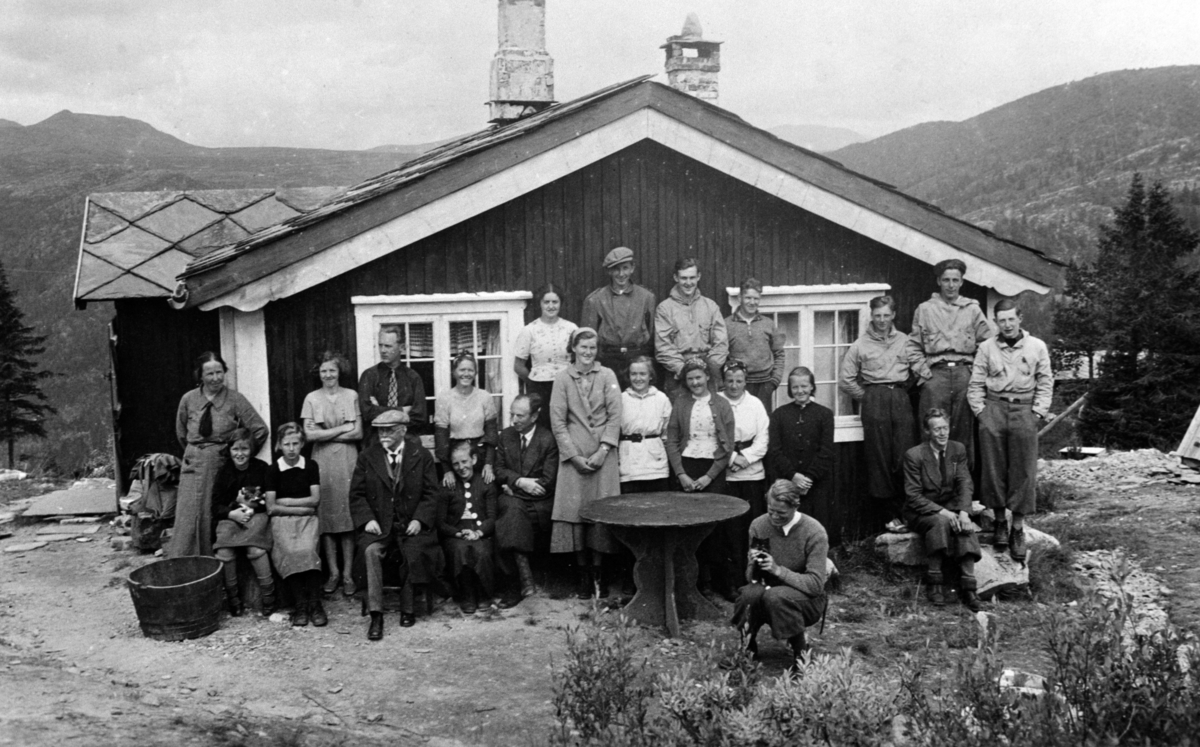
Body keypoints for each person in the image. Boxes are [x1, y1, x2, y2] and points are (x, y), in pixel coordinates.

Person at [967, 299, 1054, 563]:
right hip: (994, 408)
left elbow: (1046, 381)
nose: (1006, 325)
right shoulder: (986, 348)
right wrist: (981, 413)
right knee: (993, 468)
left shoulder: (1037, 346)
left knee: (1023, 469)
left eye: (1011, 320)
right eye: (1001, 320)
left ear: (1020, 318)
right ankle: (1000, 523)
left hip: (1024, 409)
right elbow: (976, 383)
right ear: (996, 322)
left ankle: (1017, 528)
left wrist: (1037, 412)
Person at [349, 410, 441, 641]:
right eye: (380, 430)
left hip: (411, 524)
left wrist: (419, 520)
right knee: (370, 551)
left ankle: (408, 608)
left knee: (412, 549)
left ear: (403, 430)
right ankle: (376, 614)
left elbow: (431, 494)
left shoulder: (422, 456)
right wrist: (367, 519)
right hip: (380, 526)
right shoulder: (367, 456)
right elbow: (356, 495)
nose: (383, 435)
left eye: (389, 430)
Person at [170, 351, 268, 559]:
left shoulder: (235, 400)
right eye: (210, 374)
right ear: (200, 376)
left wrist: (240, 455)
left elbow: (260, 430)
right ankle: (186, 565)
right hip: (192, 464)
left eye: (219, 372)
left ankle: (211, 565)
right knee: (188, 517)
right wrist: (194, 451)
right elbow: (181, 433)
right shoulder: (188, 399)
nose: (215, 378)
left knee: (209, 513)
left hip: (218, 464)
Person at [549, 327, 623, 599]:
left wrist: (604, 450)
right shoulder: (562, 379)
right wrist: (573, 455)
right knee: (577, 514)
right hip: (574, 457)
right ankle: (582, 576)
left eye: (592, 348)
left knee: (601, 515)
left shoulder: (607, 376)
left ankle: (599, 575)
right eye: (583, 348)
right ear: (573, 349)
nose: (588, 353)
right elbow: (558, 422)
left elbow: (615, 416)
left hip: (603, 457)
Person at [732, 480, 829, 669]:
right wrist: (753, 564)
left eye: (781, 513)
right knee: (748, 595)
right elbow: (750, 579)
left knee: (776, 596)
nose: (774, 517)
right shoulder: (759, 525)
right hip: (770, 591)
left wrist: (777, 570)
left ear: (795, 506)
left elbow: (816, 585)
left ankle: (802, 656)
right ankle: (747, 650)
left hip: (805, 599)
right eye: (771, 511)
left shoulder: (814, 531)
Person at [906, 259, 993, 468]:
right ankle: (933, 486)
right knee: (933, 428)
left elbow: (986, 344)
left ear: (962, 282)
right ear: (939, 281)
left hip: (964, 375)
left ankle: (961, 489)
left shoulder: (972, 309)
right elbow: (913, 346)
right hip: (936, 376)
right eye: (946, 280)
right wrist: (925, 374)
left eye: (956, 280)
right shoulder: (925, 309)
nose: (951, 285)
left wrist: (975, 373)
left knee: (963, 433)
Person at [839, 296, 916, 531]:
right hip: (875, 399)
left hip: (901, 398)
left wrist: (901, 393)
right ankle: (889, 516)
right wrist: (868, 397)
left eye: (886, 315)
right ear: (871, 316)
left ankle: (907, 513)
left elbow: (917, 371)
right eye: (877, 315)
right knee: (879, 459)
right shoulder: (860, 345)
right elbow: (846, 379)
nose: (882, 320)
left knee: (905, 456)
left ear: (893, 315)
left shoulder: (906, 341)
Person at [666, 357, 737, 598]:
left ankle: (721, 583)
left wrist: (709, 477)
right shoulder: (681, 403)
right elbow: (673, 440)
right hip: (687, 467)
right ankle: (696, 584)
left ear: (708, 377)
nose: (695, 382)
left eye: (699, 377)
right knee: (689, 526)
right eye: (690, 379)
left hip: (713, 470)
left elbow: (727, 446)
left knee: (716, 526)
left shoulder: (722, 404)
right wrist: (681, 474)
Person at [903, 409, 981, 611]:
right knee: (941, 522)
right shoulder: (915, 455)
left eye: (945, 428)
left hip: (952, 508)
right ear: (927, 431)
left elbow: (965, 483)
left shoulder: (957, 450)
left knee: (965, 524)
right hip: (922, 511)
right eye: (937, 429)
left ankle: (969, 587)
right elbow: (913, 496)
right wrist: (944, 512)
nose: (942, 433)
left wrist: (964, 511)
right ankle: (935, 582)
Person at [301, 351, 362, 597]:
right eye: (324, 371)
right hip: (322, 461)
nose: (328, 375)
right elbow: (309, 435)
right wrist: (342, 429)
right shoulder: (312, 399)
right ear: (319, 373)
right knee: (326, 518)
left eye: (332, 370)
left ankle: (347, 574)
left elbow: (358, 434)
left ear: (339, 372)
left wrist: (327, 432)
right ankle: (333, 573)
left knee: (346, 517)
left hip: (347, 460)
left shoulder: (351, 396)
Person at [494, 393, 558, 604]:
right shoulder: (506, 436)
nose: (514, 420)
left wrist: (512, 487)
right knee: (512, 511)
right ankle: (522, 581)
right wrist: (521, 482)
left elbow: (546, 482)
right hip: (514, 497)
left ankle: (520, 582)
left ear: (535, 416)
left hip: (539, 502)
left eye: (520, 416)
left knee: (514, 514)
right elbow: (499, 469)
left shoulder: (547, 439)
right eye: (512, 414)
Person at [264, 422, 326, 628]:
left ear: (302, 445)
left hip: (308, 520)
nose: (291, 449)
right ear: (279, 445)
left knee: (308, 550)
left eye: (295, 444)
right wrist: (301, 507)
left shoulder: (310, 466)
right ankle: (300, 606)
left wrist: (286, 502)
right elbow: (271, 508)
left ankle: (315, 605)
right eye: (287, 444)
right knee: (290, 552)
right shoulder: (273, 470)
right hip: (282, 520)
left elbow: (315, 499)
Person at [719, 359, 771, 598]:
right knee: (730, 532)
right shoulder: (717, 402)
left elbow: (763, 440)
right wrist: (730, 460)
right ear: (723, 381)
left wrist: (745, 458)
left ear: (745, 381)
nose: (734, 385)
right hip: (727, 475)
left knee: (753, 530)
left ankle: (756, 578)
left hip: (752, 474)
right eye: (729, 380)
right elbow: (713, 436)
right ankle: (731, 582)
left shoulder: (755, 404)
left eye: (739, 380)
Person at [210, 428, 275, 617]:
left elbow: (268, 500)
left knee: (255, 549)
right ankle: (233, 600)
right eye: (235, 449)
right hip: (232, 517)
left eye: (244, 449)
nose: (240, 454)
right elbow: (215, 506)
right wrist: (233, 511)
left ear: (251, 449)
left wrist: (252, 507)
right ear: (229, 451)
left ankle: (269, 598)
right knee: (224, 550)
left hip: (257, 516)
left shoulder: (262, 468)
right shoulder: (224, 472)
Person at [580, 247, 657, 390]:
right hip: (608, 360)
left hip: (637, 359)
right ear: (609, 271)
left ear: (632, 268)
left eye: (625, 268)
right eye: (616, 269)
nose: (621, 274)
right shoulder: (595, 299)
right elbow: (587, 339)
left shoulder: (646, 297)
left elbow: (649, 332)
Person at [438, 442, 498, 614]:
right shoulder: (447, 485)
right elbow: (440, 522)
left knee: (482, 551)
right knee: (459, 550)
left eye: (464, 461)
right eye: (456, 464)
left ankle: (484, 593)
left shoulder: (485, 482)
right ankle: (467, 594)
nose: (461, 467)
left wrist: (479, 532)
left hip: (480, 531)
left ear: (474, 459)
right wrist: (457, 533)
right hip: (456, 533)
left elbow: (492, 517)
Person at [655, 258, 728, 398]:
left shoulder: (710, 306)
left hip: (708, 375)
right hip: (678, 377)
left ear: (698, 276)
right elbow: (663, 347)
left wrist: (707, 370)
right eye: (683, 278)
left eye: (692, 277)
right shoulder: (665, 309)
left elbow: (721, 344)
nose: (688, 283)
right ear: (676, 277)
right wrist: (685, 371)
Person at [767, 367, 834, 510]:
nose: (800, 390)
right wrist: (793, 476)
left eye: (804, 386)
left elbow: (826, 450)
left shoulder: (825, 414)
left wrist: (809, 478)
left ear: (811, 386)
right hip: (787, 479)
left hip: (816, 482)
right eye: (795, 387)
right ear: (790, 389)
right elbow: (775, 450)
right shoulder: (779, 414)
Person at [514, 283, 577, 427]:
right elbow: (518, 366)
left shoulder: (571, 328)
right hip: (540, 389)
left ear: (560, 303)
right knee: (544, 428)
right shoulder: (529, 330)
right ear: (540, 304)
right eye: (546, 302)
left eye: (555, 302)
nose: (551, 306)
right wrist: (535, 384)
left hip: (567, 386)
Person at [434, 352, 499, 488]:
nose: (466, 374)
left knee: (486, 489)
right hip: (456, 459)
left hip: (479, 456)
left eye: (470, 370)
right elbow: (441, 438)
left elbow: (491, 435)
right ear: (454, 372)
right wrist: (447, 471)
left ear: (475, 373)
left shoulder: (484, 397)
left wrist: (488, 464)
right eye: (462, 370)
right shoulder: (445, 398)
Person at [359, 325, 428, 445]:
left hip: (407, 442)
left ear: (401, 347)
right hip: (377, 443)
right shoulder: (369, 376)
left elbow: (419, 416)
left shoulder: (413, 378)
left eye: (388, 346)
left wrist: (380, 411)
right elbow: (367, 413)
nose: (383, 350)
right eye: (380, 345)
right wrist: (402, 410)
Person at [726, 278, 784, 413]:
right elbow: (720, 356)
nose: (752, 302)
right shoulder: (727, 324)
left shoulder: (768, 323)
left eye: (756, 298)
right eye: (748, 298)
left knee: (762, 425)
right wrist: (725, 384)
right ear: (740, 297)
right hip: (738, 384)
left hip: (764, 385)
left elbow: (779, 353)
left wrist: (774, 381)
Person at [618, 356, 672, 494]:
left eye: (643, 374)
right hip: (629, 463)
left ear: (650, 376)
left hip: (655, 464)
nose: (638, 378)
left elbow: (667, 432)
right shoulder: (621, 399)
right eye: (633, 374)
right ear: (628, 376)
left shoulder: (661, 399)